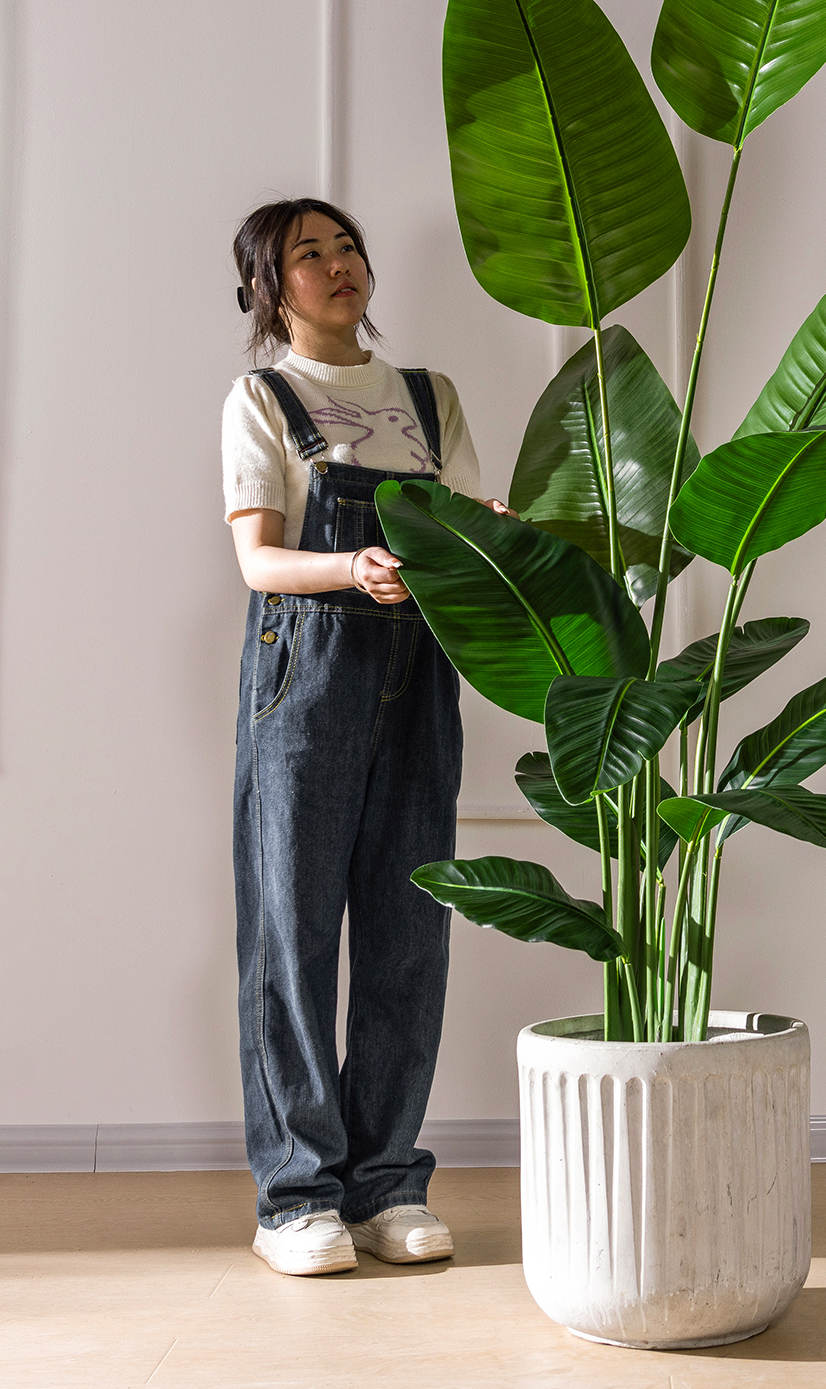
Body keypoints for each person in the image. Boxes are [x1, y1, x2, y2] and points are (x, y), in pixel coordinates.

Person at [222, 197, 495, 1277]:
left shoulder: (427, 395)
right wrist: (352, 568)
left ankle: (386, 1182)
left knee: (407, 927)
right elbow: (259, 563)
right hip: (308, 672)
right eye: (308, 254)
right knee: (292, 934)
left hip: (418, 669)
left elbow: (471, 521)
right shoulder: (264, 397)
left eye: (345, 246)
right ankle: (294, 1193)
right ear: (268, 287)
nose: (338, 265)